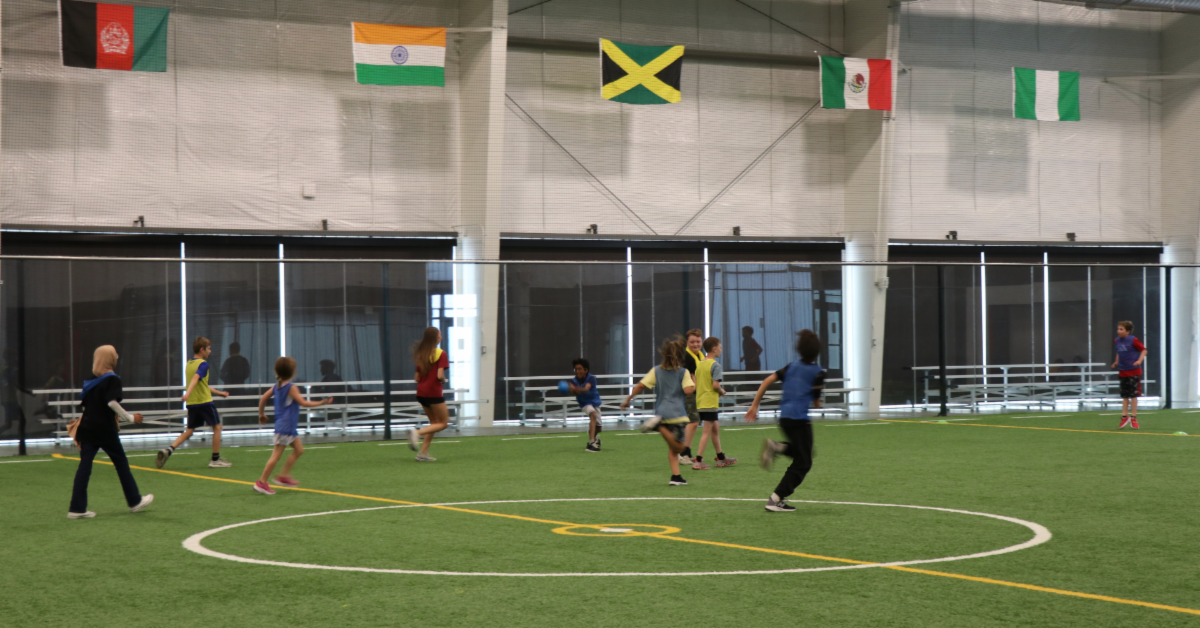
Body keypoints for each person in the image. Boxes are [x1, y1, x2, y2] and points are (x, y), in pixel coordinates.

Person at [68, 345, 154, 519]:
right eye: (114, 353)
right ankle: (135, 501)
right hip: (105, 430)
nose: (117, 355)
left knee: (84, 467)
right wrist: (129, 418)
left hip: (86, 429)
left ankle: (76, 509)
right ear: (109, 359)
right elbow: (111, 403)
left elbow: (86, 405)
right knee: (121, 464)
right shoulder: (113, 379)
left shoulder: (90, 380)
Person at [744, 330, 826, 513]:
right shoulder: (818, 373)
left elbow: (767, 381)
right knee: (804, 462)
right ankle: (776, 499)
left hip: (784, 418)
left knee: (802, 454)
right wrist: (817, 400)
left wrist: (754, 406)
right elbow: (817, 402)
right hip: (800, 420)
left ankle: (777, 447)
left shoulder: (790, 367)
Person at [620, 336, 696, 486]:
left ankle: (676, 476)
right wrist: (693, 383)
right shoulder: (683, 372)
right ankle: (658, 427)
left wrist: (629, 398)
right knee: (681, 447)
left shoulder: (656, 371)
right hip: (677, 414)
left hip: (661, 413)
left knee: (672, 448)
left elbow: (641, 385)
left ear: (664, 354)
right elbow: (688, 390)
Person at [253, 357, 332, 495]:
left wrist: (261, 414)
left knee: (299, 450)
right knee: (276, 456)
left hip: (288, 427)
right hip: (285, 427)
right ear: (292, 372)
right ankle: (261, 482)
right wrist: (322, 402)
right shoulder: (291, 388)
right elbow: (304, 403)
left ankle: (283, 477)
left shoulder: (277, 386)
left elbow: (263, 398)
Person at [156, 337, 232, 469]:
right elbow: (196, 379)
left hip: (193, 404)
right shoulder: (203, 364)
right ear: (202, 349)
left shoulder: (189, 364)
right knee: (217, 428)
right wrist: (187, 394)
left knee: (189, 431)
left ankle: (168, 450)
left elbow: (201, 384)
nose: (210, 351)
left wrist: (219, 393)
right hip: (204, 403)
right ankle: (215, 460)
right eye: (208, 349)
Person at [407, 327, 450, 462]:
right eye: (439, 335)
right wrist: (443, 380)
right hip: (433, 393)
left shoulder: (421, 354)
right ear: (435, 338)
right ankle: (416, 433)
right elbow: (439, 375)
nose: (441, 337)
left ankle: (423, 454)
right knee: (443, 423)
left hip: (421, 393)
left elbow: (417, 378)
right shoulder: (441, 354)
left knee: (434, 423)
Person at [693, 336, 735, 470]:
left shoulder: (700, 364)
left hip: (701, 401)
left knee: (715, 429)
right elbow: (715, 385)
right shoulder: (715, 365)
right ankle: (698, 460)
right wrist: (722, 391)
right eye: (720, 348)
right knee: (706, 432)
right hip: (710, 402)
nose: (721, 350)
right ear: (714, 349)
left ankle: (720, 458)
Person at [1112, 321, 1147, 430]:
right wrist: (1116, 361)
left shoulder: (1133, 340)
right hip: (1123, 371)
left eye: (1121, 329)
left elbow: (1144, 350)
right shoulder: (1116, 341)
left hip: (1134, 371)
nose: (1118, 331)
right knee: (1125, 395)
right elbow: (1119, 352)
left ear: (1128, 331)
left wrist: (1139, 360)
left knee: (1133, 395)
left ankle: (1134, 417)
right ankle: (1124, 416)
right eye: (1118, 329)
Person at [678, 328, 705, 464]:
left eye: (698, 341)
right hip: (688, 393)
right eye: (692, 342)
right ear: (687, 342)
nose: (695, 344)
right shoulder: (686, 357)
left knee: (693, 423)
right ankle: (682, 453)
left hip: (698, 393)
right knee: (692, 422)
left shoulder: (701, 355)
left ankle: (686, 452)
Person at [569, 358, 604, 452]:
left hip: (595, 402)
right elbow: (576, 393)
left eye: (580, 369)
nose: (577, 371)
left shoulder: (591, 378)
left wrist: (575, 388)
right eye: (576, 369)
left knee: (599, 428)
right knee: (593, 415)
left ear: (586, 370)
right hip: (584, 403)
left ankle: (593, 435)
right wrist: (571, 390)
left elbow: (586, 389)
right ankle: (591, 443)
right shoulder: (574, 381)